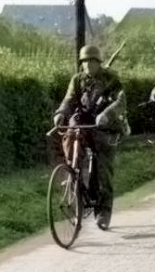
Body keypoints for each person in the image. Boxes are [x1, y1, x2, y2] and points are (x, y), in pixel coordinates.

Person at [52, 44, 129, 231]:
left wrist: (107, 114)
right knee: (70, 135)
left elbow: (121, 101)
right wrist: (61, 112)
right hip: (86, 124)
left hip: (105, 128)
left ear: (98, 62)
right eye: (84, 61)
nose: (87, 65)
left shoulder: (111, 79)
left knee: (103, 171)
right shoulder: (77, 80)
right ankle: (73, 175)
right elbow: (69, 99)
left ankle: (103, 211)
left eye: (91, 61)